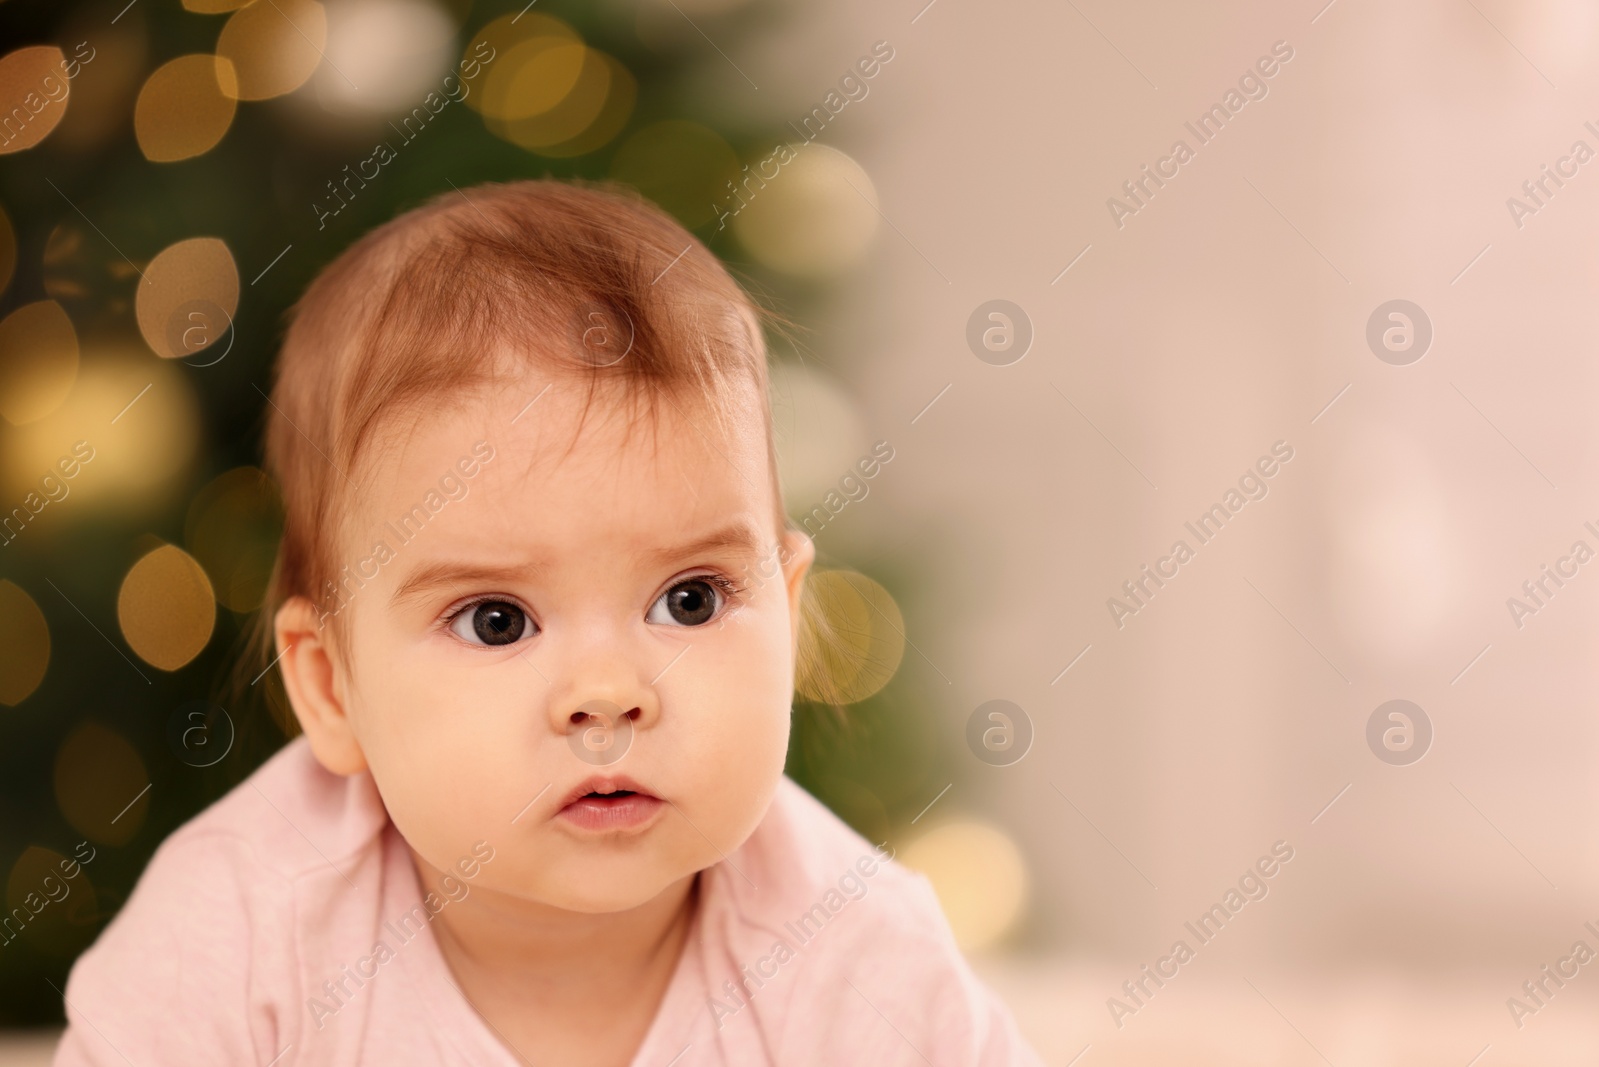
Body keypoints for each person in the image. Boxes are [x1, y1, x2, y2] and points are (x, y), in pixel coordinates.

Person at [54, 179, 1043, 1066]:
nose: (608, 692)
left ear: (785, 616)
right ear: (330, 684)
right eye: (495, 619)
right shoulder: (237, 936)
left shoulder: (853, 949)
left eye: (689, 599)